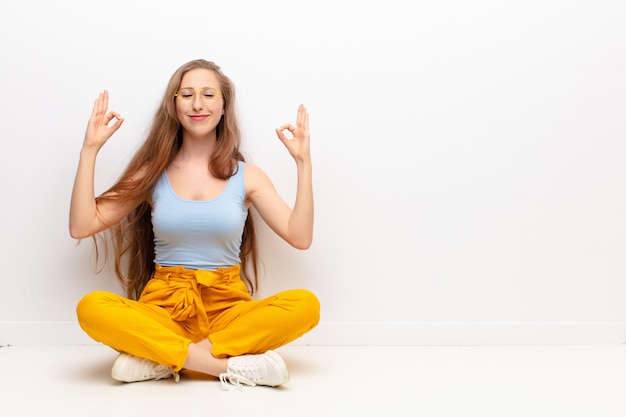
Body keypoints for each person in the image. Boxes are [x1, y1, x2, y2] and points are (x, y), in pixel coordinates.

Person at [69, 59, 320, 389]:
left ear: (223, 105)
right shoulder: (151, 173)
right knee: (91, 308)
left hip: (227, 310)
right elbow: (81, 225)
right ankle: (225, 366)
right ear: (174, 105)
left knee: (306, 305)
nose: (197, 103)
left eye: (207, 94)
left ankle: (161, 359)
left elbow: (300, 237)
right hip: (165, 308)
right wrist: (89, 150)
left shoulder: (248, 177)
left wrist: (303, 163)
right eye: (186, 94)